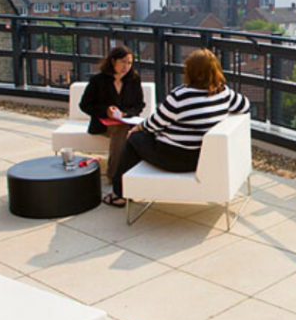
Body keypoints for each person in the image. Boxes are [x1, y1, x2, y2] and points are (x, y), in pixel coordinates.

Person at [104, 48, 250, 207]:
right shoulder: (224, 92)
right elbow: (245, 105)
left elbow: (154, 123)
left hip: (173, 159)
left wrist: (138, 128)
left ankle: (119, 193)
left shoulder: (181, 95)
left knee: (134, 138)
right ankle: (130, 186)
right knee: (140, 138)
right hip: (199, 159)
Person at [78, 46, 145, 178]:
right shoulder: (98, 81)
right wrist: (105, 111)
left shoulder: (134, 80)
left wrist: (125, 114)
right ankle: (115, 176)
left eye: (129, 63)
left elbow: (139, 105)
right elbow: (85, 105)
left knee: (124, 128)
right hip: (103, 124)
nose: (126, 66)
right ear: (113, 61)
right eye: (123, 62)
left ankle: (126, 175)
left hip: (126, 121)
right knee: (122, 130)